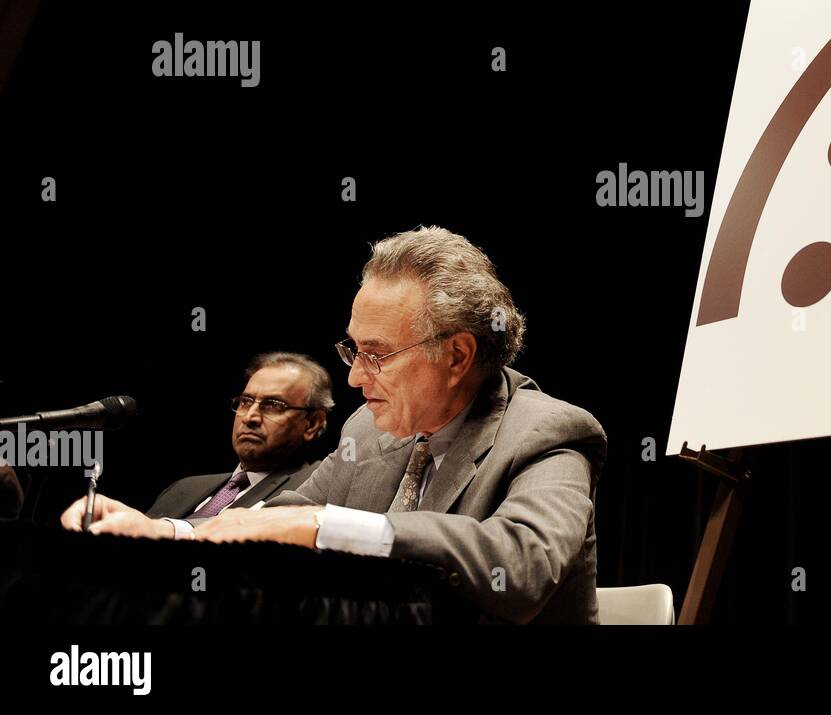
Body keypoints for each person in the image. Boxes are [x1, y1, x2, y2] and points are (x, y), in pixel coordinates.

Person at [193, 226, 608, 624]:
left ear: (457, 356)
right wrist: (168, 534)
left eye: (376, 354)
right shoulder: (366, 428)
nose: (354, 377)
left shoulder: (551, 431)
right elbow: (285, 514)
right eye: (353, 350)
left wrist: (327, 526)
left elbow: (523, 564)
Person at [60, 352, 332, 538]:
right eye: (246, 402)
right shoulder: (185, 487)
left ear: (312, 424)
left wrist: (162, 530)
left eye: (273, 405)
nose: (250, 417)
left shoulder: (315, 487)